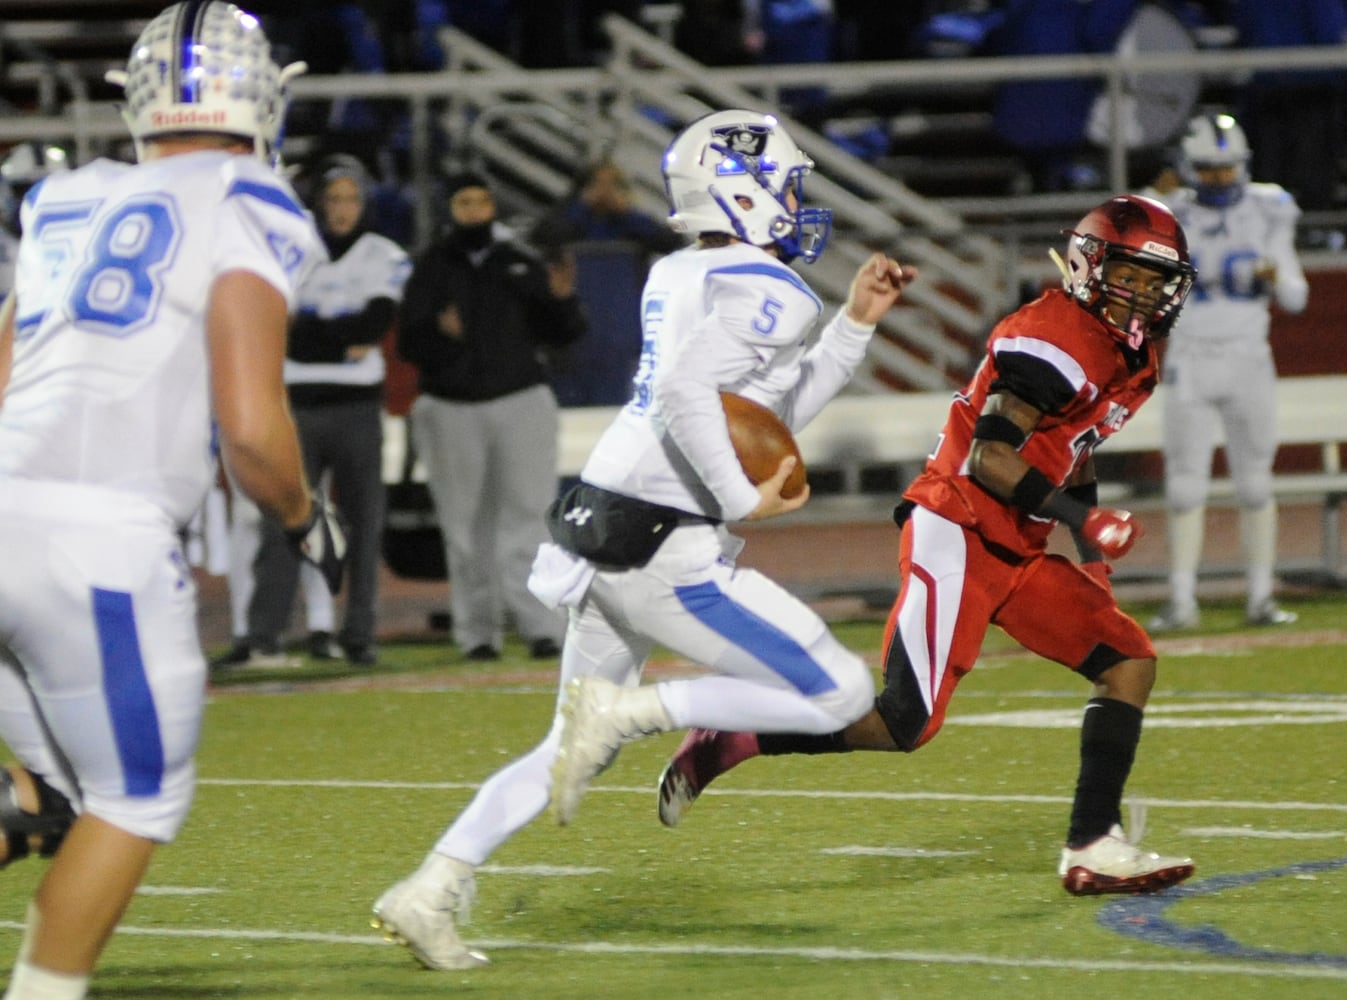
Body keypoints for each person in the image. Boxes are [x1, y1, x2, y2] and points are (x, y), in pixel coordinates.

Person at [370, 109, 912, 972]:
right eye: (786, 183)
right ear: (745, 191)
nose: (797, 201)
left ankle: (429, 888)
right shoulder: (766, 287)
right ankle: (636, 713)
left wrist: (854, 325)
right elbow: (693, 399)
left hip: (606, 525)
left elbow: (751, 416)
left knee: (562, 744)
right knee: (843, 694)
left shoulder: (680, 270)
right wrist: (740, 500)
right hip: (667, 549)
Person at [655, 194, 1201, 898]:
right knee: (903, 722)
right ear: (1088, 267)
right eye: (1129, 276)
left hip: (1017, 545)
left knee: (1127, 661)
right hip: (960, 528)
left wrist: (1088, 562)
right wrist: (1083, 522)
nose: (1143, 296)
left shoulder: (1130, 353)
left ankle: (1090, 843)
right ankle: (733, 730)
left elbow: (1078, 446)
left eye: (1156, 282)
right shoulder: (1058, 336)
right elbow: (990, 461)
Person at [0, 4, 345, 998]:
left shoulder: (66, 195)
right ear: (261, 93)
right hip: (95, 537)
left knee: (56, 797)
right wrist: (302, 520)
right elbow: (249, 424)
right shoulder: (251, 197)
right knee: (137, 801)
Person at [395, 171, 585, 662]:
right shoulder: (431, 267)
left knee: (530, 517)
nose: (475, 210)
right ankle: (478, 632)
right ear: (450, 208)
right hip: (452, 404)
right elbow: (410, 344)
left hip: (520, 398)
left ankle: (542, 626)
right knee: (464, 527)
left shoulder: (517, 263)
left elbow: (563, 334)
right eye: (465, 201)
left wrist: (564, 299)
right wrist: (442, 335)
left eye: (482, 200)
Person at [242, 153, 412, 667]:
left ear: (364, 203)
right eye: (333, 199)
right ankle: (263, 635)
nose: (341, 210)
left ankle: (360, 632)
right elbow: (286, 331)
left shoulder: (384, 253)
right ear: (319, 203)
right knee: (283, 521)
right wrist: (336, 337)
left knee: (364, 521)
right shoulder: (294, 250)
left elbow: (370, 327)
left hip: (357, 406)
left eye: (351, 199)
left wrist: (318, 332)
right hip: (298, 405)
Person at [1147, 113, 1309, 631]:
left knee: (1256, 484)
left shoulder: (1269, 207)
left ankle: (1261, 597)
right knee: (1184, 487)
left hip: (1247, 357)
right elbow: (1122, 227)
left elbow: (1296, 296)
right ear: (1189, 169)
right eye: (1208, 169)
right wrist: (1153, 192)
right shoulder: (1169, 212)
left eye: (1226, 168)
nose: (1219, 178)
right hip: (1191, 357)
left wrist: (1275, 272)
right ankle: (1182, 600)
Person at [531, 158, 686, 406]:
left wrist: (627, 213)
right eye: (598, 184)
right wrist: (581, 207)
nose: (605, 192)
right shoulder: (566, 220)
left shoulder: (632, 225)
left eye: (612, 185)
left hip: (621, 333)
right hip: (573, 334)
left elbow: (670, 242)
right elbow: (543, 236)